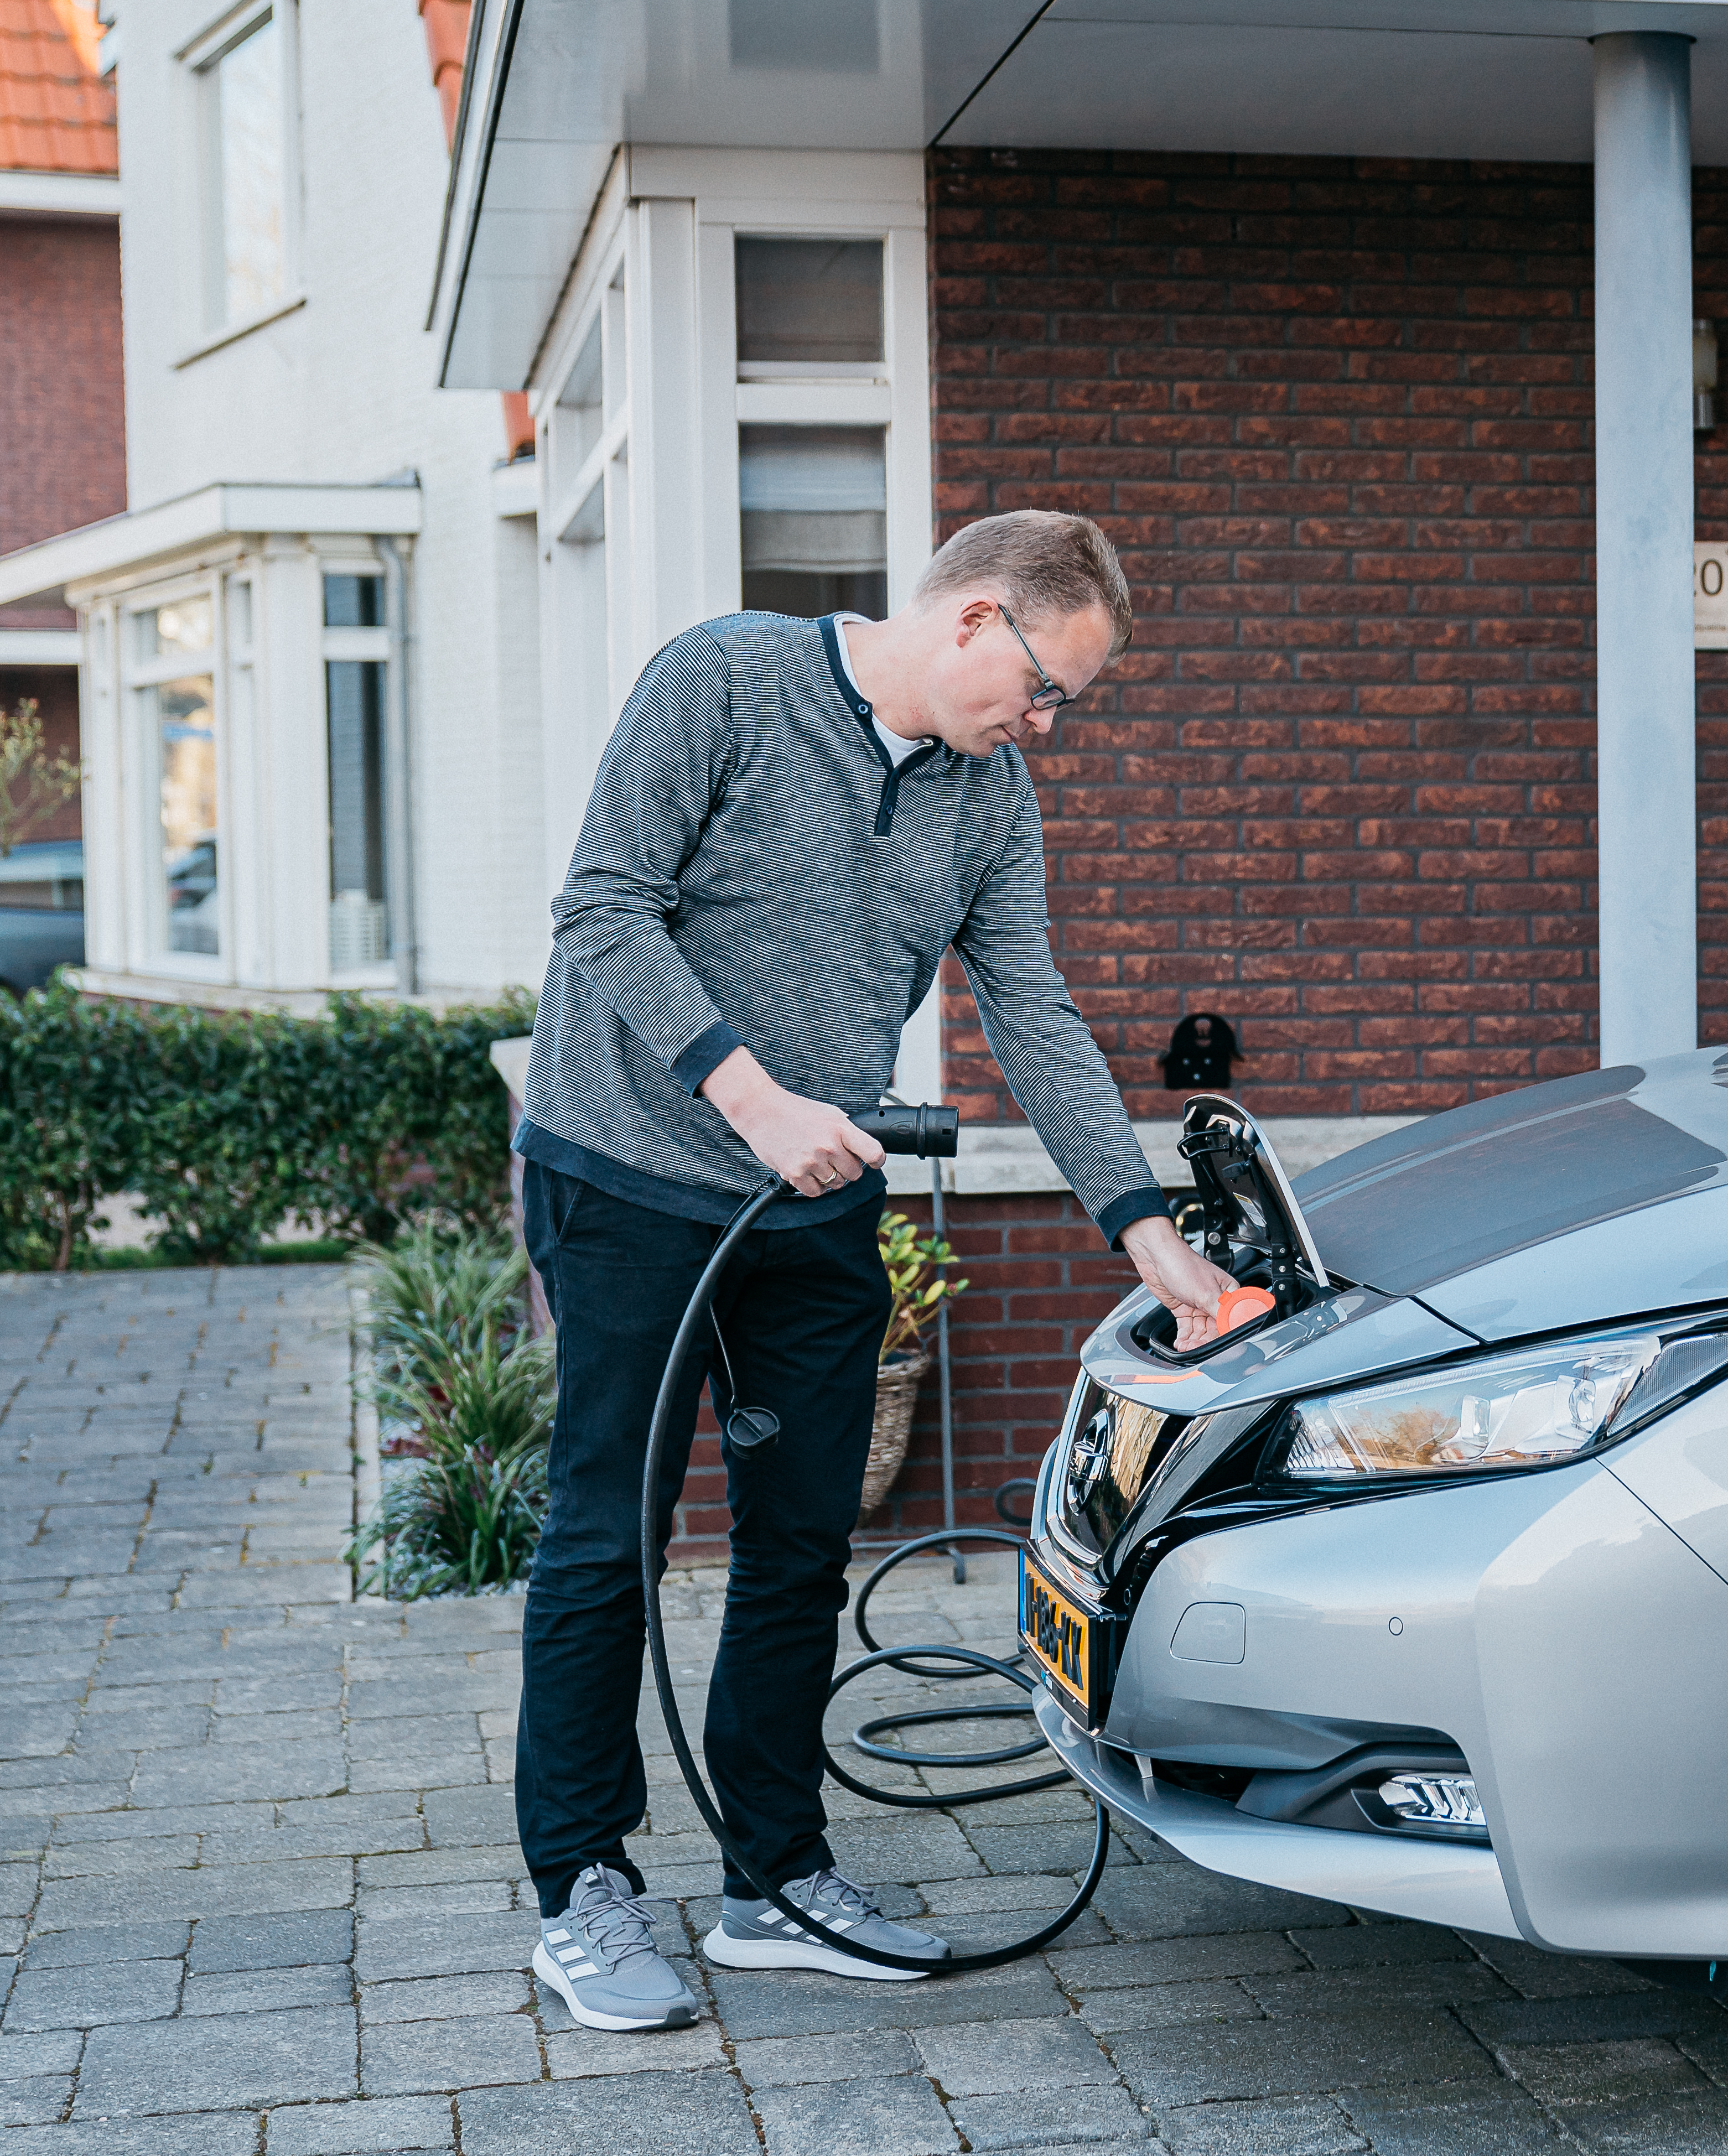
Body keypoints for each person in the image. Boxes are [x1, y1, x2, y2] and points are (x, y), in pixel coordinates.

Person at [507, 511, 1236, 2031]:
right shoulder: (723, 682)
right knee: (607, 1536)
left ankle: (773, 1879)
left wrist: (1146, 1232)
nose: (1046, 726)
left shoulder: (990, 798)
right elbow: (603, 909)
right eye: (1046, 689)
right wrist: (754, 1097)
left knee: (796, 1545)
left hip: (811, 1209)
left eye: (1065, 708)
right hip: (632, 1175)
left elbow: (1031, 1007)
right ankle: (582, 1890)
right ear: (975, 620)